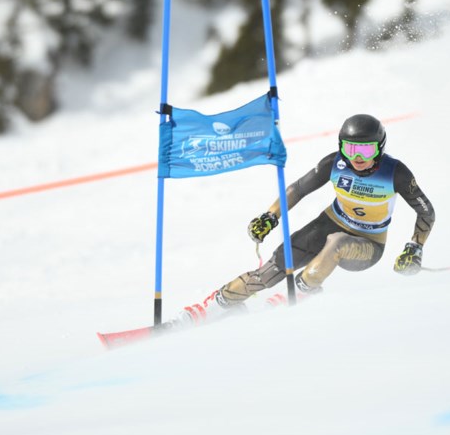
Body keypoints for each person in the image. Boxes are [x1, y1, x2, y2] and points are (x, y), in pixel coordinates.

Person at [178, 113, 435, 326]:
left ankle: (301, 293)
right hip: (328, 223)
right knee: (272, 270)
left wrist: (415, 247)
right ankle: (214, 306)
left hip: (368, 244)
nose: (357, 158)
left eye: (366, 150)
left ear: (380, 148)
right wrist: (270, 216)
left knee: (338, 242)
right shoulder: (334, 164)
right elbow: (298, 189)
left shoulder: (396, 173)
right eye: (350, 149)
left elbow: (426, 211)